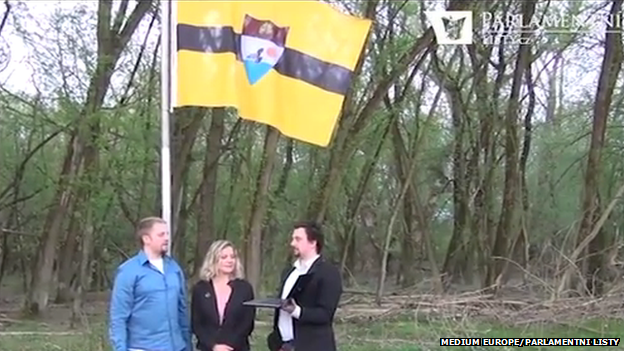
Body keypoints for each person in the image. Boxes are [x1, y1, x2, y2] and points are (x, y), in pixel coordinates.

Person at [109, 216, 192, 351]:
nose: (166, 238)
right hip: (143, 346)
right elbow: (118, 317)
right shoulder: (128, 272)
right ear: (146, 239)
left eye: (167, 234)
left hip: (176, 346)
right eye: (161, 234)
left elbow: (182, 311)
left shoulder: (174, 268)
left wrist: (187, 346)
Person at [267, 221, 343, 351]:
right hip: (284, 346)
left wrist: (297, 311)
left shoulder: (328, 273)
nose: (292, 244)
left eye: (298, 239)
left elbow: (325, 314)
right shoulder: (289, 272)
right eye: (293, 239)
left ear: (313, 243)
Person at [191, 240, 256, 351]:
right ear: (213, 260)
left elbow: (247, 324)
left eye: (232, 257)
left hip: (237, 348)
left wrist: (228, 347)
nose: (229, 261)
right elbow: (197, 324)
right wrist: (213, 346)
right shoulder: (201, 289)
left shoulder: (244, 288)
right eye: (224, 257)